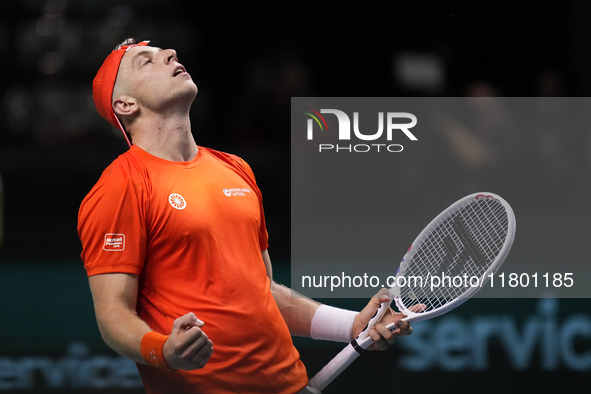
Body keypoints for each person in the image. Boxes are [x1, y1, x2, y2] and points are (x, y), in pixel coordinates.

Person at [78, 39, 415, 394]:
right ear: (125, 104)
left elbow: (264, 292)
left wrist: (352, 325)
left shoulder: (235, 168)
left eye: (165, 52)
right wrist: (163, 351)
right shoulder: (120, 186)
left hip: (291, 384)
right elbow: (112, 315)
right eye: (145, 62)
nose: (169, 54)